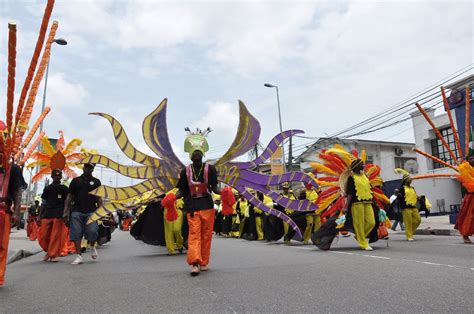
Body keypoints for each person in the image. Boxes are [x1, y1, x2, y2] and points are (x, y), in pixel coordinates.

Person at [172, 129, 220, 276]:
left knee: (206, 235)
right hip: (192, 207)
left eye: (199, 152)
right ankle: (195, 263)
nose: (196, 154)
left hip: (207, 206)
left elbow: (215, 188)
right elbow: (181, 190)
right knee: (194, 235)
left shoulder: (210, 169)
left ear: (203, 154)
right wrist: (171, 198)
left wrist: (226, 193)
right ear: (190, 155)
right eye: (194, 152)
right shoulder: (185, 171)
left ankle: (204, 261)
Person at [64, 162, 102, 265]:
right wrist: (65, 212)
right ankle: (79, 256)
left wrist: (101, 211)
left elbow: (99, 198)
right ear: (83, 168)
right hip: (77, 211)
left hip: (91, 211)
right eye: (86, 167)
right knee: (76, 234)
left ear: (92, 169)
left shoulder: (96, 182)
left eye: (89, 167)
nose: (87, 169)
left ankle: (92, 246)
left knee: (92, 232)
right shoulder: (76, 181)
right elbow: (69, 197)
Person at [0, 163, 27, 286]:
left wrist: (16, 212)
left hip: (3, 210)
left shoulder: (13, 168)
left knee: (1, 245)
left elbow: (18, 190)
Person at [344, 158, 376, 251]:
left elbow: (370, 190)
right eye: (362, 164)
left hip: (368, 202)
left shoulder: (365, 176)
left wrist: (375, 203)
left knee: (371, 222)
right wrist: (346, 206)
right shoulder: (351, 178)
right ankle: (363, 244)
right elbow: (350, 193)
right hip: (356, 203)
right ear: (356, 166)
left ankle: (359, 237)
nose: (364, 165)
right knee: (360, 224)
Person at [38, 169, 68, 262]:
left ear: (61, 177)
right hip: (47, 214)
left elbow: (67, 202)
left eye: (59, 176)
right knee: (43, 235)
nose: (57, 177)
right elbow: (43, 202)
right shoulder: (47, 188)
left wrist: (66, 214)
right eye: (55, 175)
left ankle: (52, 255)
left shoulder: (64, 189)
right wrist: (39, 215)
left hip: (58, 215)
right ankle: (49, 251)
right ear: (52, 177)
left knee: (55, 236)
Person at [455, 154, 474, 244]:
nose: (473, 159)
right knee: (468, 217)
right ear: (467, 161)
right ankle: (465, 235)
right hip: (470, 198)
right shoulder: (464, 169)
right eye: (470, 158)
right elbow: (470, 182)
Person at [397, 174, 421, 241]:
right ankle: (409, 236)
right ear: (405, 180)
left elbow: (415, 195)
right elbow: (399, 198)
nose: (410, 180)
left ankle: (410, 232)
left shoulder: (412, 188)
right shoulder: (402, 189)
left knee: (418, 220)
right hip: (405, 208)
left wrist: (419, 198)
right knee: (408, 222)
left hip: (413, 207)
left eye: (410, 179)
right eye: (409, 179)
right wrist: (398, 194)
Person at [163, 190, 184, 255]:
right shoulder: (162, 187)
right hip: (167, 210)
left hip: (178, 210)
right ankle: (171, 250)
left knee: (177, 229)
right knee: (169, 231)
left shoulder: (181, 184)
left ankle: (179, 245)